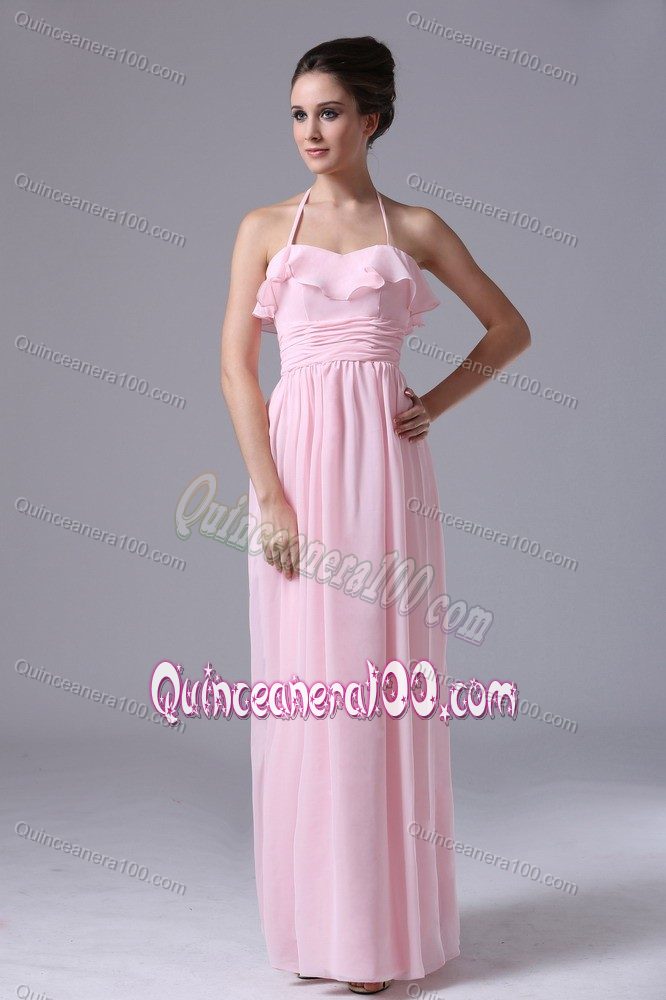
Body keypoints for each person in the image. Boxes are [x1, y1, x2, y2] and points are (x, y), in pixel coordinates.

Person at [220, 35, 531, 995]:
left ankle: (374, 940)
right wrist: (270, 497)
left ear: (373, 118)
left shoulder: (417, 228)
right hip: (297, 472)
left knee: (377, 688)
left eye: (329, 112)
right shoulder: (264, 228)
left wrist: (433, 404)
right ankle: (317, 926)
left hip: (388, 483)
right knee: (307, 690)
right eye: (298, 114)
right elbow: (235, 369)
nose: (310, 131)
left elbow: (509, 329)